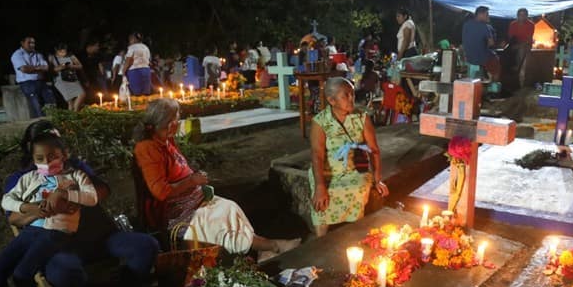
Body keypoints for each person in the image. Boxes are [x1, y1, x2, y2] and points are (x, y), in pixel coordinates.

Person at [4, 121, 159, 287]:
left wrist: (73, 194)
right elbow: (14, 218)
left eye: (56, 144)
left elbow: (103, 190)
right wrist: (41, 208)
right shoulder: (22, 178)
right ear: (31, 148)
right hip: (60, 246)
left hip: (100, 237)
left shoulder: (74, 166)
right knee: (62, 273)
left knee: (146, 246)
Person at [133, 99, 301, 261]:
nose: (178, 123)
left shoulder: (166, 140)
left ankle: (263, 249)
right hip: (177, 214)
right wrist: (192, 181)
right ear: (164, 122)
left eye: (177, 118)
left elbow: (178, 169)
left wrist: (195, 180)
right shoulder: (147, 148)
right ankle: (272, 246)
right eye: (174, 119)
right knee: (220, 223)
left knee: (230, 208)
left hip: (194, 201)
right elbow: (161, 192)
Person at [0, 128, 98, 287]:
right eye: (40, 158)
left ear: (64, 154)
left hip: (56, 233)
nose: (47, 163)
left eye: (52, 156)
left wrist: (65, 194)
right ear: (33, 159)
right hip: (31, 230)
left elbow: (92, 198)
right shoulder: (29, 179)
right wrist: (28, 207)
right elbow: (7, 201)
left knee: (22, 273)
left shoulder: (75, 177)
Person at [309, 77, 389, 237]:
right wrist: (320, 186)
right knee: (321, 200)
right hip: (326, 171)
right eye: (346, 95)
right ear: (332, 100)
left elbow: (374, 150)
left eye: (352, 94)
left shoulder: (362, 118)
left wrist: (377, 178)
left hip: (354, 170)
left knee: (358, 187)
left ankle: (355, 234)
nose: (352, 98)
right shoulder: (320, 122)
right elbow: (317, 155)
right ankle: (320, 241)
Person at [10, 36, 55, 118]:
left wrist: (32, 68)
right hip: (27, 83)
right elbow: (24, 69)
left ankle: (53, 122)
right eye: (29, 43)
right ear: (22, 43)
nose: (32, 45)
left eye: (33, 43)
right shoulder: (17, 54)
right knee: (37, 106)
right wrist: (39, 68)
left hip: (40, 81)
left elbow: (46, 67)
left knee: (51, 102)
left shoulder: (38, 54)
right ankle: (41, 125)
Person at [462, 6, 500, 82]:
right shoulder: (485, 27)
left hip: (468, 57)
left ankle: (484, 76)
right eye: (487, 15)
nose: (488, 16)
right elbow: (491, 43)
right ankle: (494, 85)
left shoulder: (466, 25)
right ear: (480, 14)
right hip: (481, 58)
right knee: (496, 60)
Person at [49, 43, 85, 111]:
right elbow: (51, 70)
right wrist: (61, 67)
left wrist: (71, 66)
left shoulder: (71, 56)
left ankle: (75, 112)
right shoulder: (52, 57)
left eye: (64, 51)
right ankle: (73, 115)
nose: (63, 53)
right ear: (56, 50)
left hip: (72, 78)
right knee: (70, 100)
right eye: (61, 51)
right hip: (61, 80)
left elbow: (80, 66)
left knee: (82, 94)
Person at [507, 8, 534, 88]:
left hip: (526, 45)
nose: (522, 17)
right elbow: (510, 38)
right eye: (520, 15)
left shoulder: (531, 25)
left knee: (521, 50)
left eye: (524, 15)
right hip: (515, 44)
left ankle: (517, 68)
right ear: (517, 16)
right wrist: (513, 45)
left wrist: (519, 46)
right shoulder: (513, 24)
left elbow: (528, 39)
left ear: (526, 16)